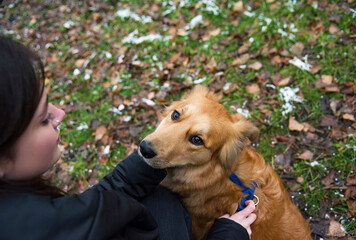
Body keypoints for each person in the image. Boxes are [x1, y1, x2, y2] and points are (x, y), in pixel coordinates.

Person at [0, 35, 256, 240]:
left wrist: (144, 163)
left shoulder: (23, 215)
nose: (61, 114)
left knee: (160, 197)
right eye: (44, 118)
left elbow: (88, 212)